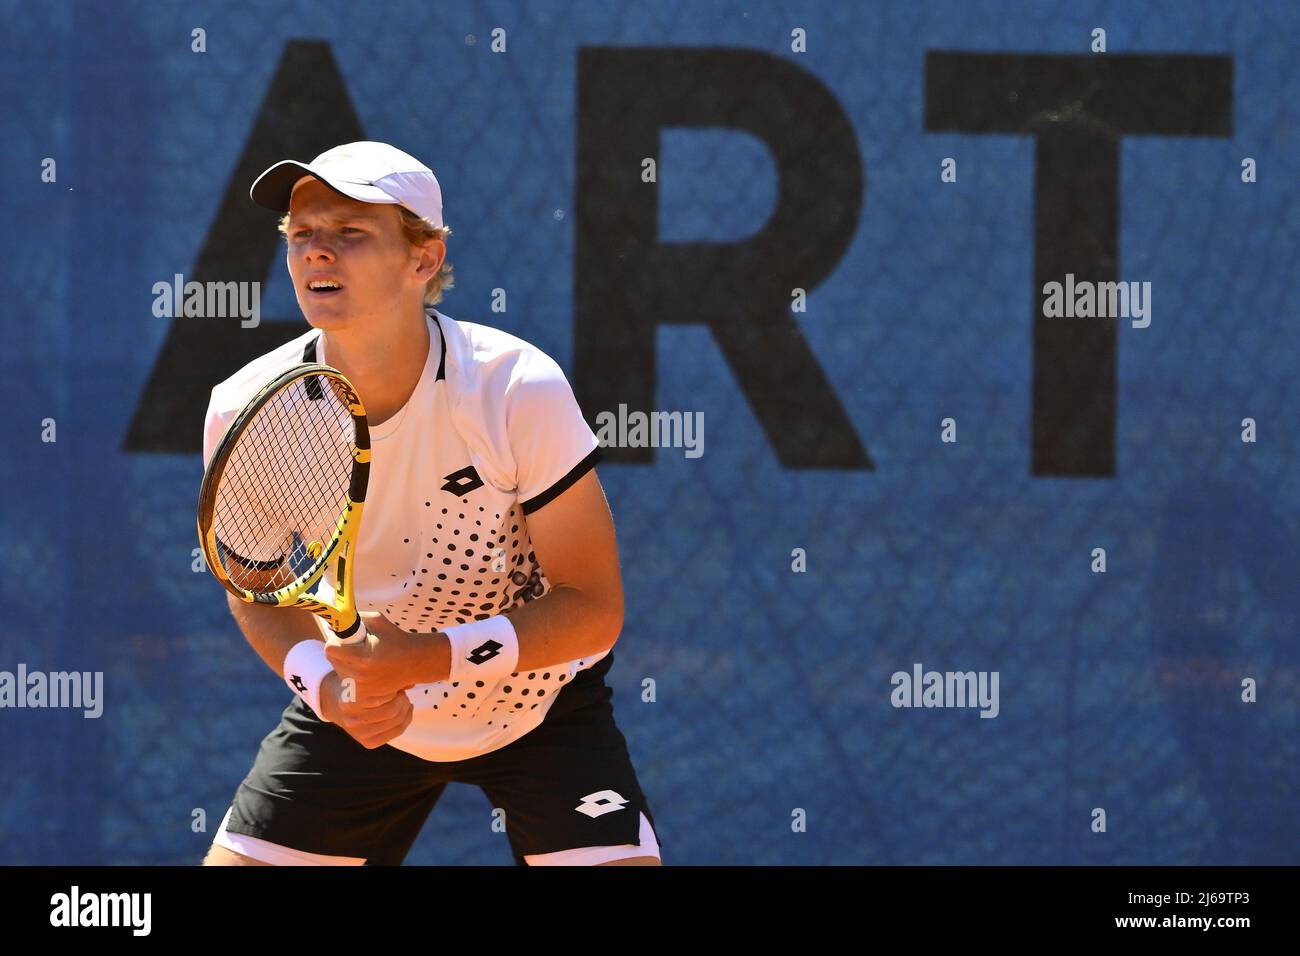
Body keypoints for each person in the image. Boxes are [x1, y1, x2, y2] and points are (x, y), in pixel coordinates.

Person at [199, 142, 661, 866]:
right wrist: (328, 690)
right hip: (362, 711)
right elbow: (256, 590)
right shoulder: (245, 407)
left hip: (538, 707)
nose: (317, 253)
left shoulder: (514, 388)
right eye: (302, 235)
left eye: (350, 234)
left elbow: (593, 607)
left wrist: (422, 658)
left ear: (424, 259)